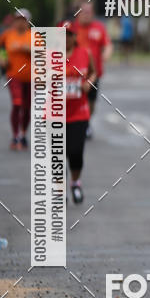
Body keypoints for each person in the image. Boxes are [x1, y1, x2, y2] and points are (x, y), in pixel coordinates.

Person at [60, 21, 95, 204]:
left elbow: (93, 73)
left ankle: (75, 182)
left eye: (70, 34)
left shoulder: (84, 53)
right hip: (55, 112)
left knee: (75, 152)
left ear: (75, 37)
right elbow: (38, 79)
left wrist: (88, 83)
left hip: (78, 112)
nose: (66, 38)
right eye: (63, 34)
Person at [0, 9, 32, 150]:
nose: (20, 22)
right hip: (13, 75)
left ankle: (23, 134)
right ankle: (15, 136)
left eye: (23, 19)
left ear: (28, 22)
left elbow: (43, 55)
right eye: (17, 19)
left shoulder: (34, 36)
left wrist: (29, 49)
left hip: (30, 78)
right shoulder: (8, 35)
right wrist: (1, 60)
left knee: (27, 108)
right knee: (17, 103)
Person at [73, 0, 112, 136]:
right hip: (74, 73)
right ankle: (74, 124)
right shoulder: (71, 28)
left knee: (91, 101)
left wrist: (106, 53)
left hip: (93, 73)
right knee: (74, 99)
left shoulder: (99, 27)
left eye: (89, 12)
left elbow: (107, 44)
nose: (86, 15)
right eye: (84, 12)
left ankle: (86, 122)